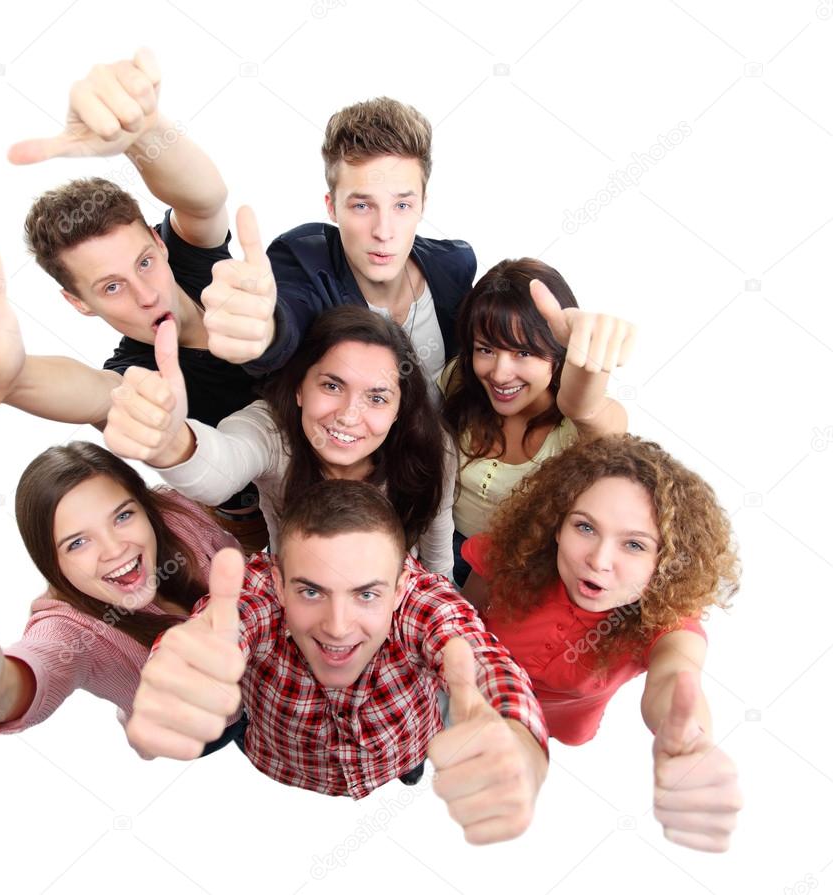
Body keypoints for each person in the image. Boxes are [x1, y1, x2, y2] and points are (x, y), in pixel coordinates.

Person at [0, 49, 267, 547]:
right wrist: (10, 379)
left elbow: (203, 198)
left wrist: (143, 132)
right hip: (273, 535)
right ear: (78, 302)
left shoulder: (195, 264)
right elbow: (91, 392)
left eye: (144, 262)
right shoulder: (132, 376)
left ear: (160, 243)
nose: (146, 293)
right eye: (111, 287)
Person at [126, 479, 549, 844]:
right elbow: (221, 626)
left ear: (401, 586)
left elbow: (478, 653)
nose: (338, 628)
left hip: (401, 750)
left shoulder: (424, 600)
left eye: (366, 594)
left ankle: (409, 769)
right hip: (282, 763)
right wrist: (188, 664)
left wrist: (520, 745)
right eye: (311, 592)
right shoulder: (258, 592)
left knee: (412, 766)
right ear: (278, 581)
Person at [460, 434, 743, 851]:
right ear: (557, 525)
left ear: (665, 561)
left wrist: (687, 737)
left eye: (633, 544)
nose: (598, 560)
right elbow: (462, 620)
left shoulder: (665, 620)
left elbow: (675, 676)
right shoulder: (511, 555)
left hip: (563, 722)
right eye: (585, 527)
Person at [0, 442, 241, 753]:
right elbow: (43, 661)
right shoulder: (68, 626)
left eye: (123, 516)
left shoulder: (174, 514)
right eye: (78, 542)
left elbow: (239, 556)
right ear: (51, 563)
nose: (114, 549)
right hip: (210, 730)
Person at [104, 306, 456, 577]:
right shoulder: (272, 430)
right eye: (332, 386)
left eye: (377, 398)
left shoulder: (431, 448)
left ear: (398, 410)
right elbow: (223, 467)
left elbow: (438, 559)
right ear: (300, 387)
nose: (349, 415)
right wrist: (172, 443)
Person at [200, 97, 476, 381]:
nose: (383, 231)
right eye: (362, 206)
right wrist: (265, 329)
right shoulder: (304, 262)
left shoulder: (454, 267)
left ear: (422, 204)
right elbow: (290, 311)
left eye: (402, 206)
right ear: (331, 206)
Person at [442, 257, 635, 583]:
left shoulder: (578, 428)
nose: (500, 373)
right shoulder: (459, 381)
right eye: (486, 349)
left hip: (520, 574)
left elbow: (588, 411)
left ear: (557, 355)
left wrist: (587, 355)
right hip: (443, 551)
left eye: (523, 353)